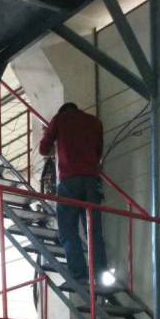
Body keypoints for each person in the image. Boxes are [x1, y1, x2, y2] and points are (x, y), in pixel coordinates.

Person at [39, 102, 111, 287]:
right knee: (94, 232)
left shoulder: (59, 120)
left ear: (62, 111)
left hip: (70, 182)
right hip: (92, 182)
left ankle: (79, 275)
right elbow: (98, 153)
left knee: (68, 230)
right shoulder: (95, 122)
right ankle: (100, 275)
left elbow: (43, 149)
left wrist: (52, 140)